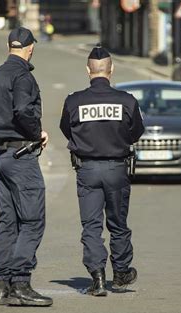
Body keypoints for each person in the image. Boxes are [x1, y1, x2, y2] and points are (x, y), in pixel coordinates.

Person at [0, 27, 52, 306]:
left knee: (8, 222)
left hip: (1, 157)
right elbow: (22, 111)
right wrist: (36, 133)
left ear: (9, 47)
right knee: (32, 221)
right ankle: (21, 282)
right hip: (21, 157)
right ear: (30, 48)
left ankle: (2, 286)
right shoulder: (23, 76)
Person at [59, 44, 144, 296]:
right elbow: (136, 132)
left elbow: (67, 129)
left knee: (91, 226)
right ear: (111, 70)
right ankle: (120, 273)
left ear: (88, 70)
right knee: (118, 224)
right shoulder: (127, 101)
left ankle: (97, 278)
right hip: (117, 169)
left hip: (87, 170)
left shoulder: (74, 101)